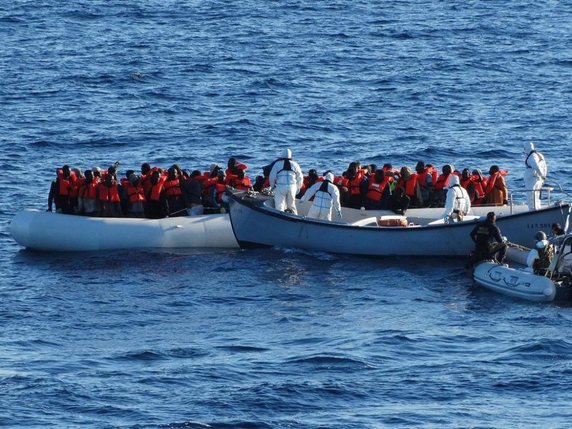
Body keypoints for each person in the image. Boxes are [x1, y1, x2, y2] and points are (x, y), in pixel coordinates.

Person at [268, 148, 303, 214]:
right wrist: (298, 187)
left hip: (280, 187)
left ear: (282, 155)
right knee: (292, 206)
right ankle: (295, 219)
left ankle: (280, 220)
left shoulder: (277, 164)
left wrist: (273, 187)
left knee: (279, 206)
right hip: (292, 187)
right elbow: (300, 177)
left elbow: (272, 177)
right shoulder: (295, 164)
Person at [523, 142, 547, 211]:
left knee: (531, 196)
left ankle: (533, 210)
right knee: (537, 195)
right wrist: (543, 176)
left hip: (532, 180)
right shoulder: (540, 155)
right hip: (539, 179)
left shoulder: (532, 157)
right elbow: (545, 167)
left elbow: (536, 166)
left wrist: (541, 175)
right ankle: (537, 208)